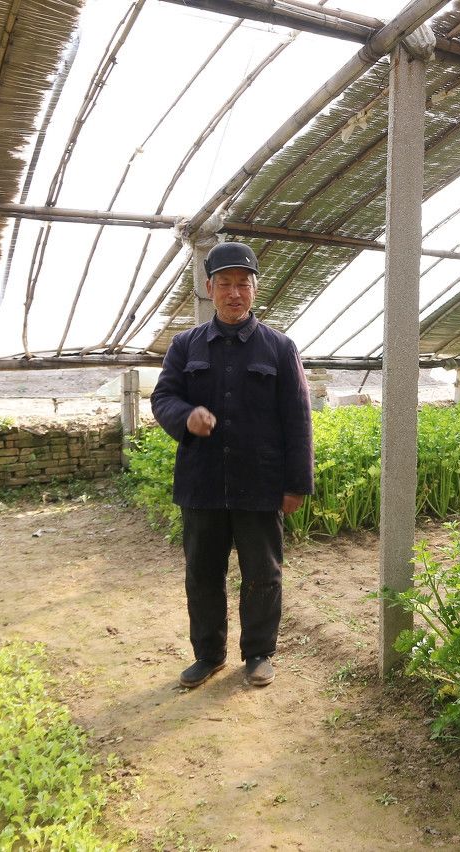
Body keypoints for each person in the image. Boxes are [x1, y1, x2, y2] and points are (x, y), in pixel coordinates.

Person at [150, 241, 314, 689]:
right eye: (225, 283)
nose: (234, 292)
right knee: (202, 574)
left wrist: (297, 485)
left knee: (263, 573)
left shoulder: (279, 348)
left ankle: (258, 653)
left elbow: (298, 418)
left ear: (255, 290)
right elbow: (162, 397)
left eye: (243, 284)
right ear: (209, 288)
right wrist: (186, 417)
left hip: (260, 484)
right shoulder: (185, 346)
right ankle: (208, 655)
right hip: (202, 484)